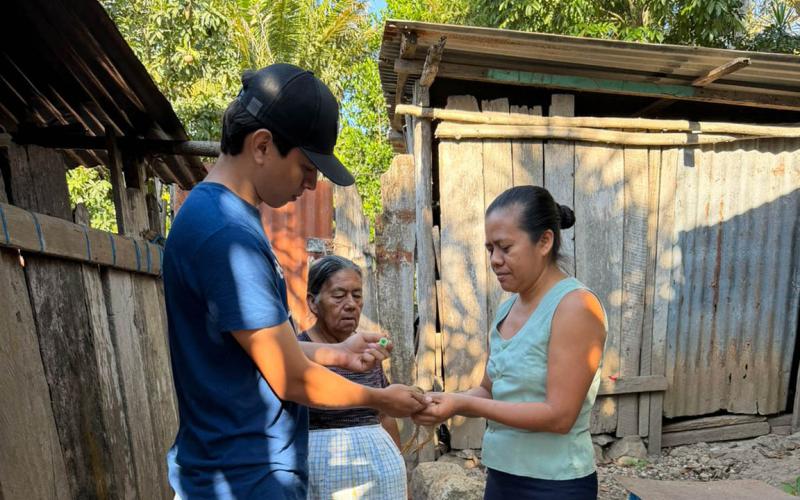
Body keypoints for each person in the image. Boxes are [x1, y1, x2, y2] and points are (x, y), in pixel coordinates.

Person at [162, 63, 428, 500]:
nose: (312, 182)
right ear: (262, 145)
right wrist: (382, 400)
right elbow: (289, 378)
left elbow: (255, 351)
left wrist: (338, 353)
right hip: (245, 478)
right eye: (306, 166)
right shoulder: (226, 235)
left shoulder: (221, 219)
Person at [413, 185, 607, 500]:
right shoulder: (507, 308)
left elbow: (559, 416)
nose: (495, 260)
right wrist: (445, 402)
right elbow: (488, 389)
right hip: (503, 476)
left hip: (553, 484)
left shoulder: (575, 307)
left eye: (505, 247)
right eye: (490, 249)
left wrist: (464, 403)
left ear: (545, 241)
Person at [297, 255, 407, 499]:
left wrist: (402, 474)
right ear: (313, 302)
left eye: (356, 296)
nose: (351, 304)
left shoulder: (367, 349)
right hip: (322, 473)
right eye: (339, 295)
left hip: (381, 472)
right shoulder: (297, 351)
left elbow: (385, 415)